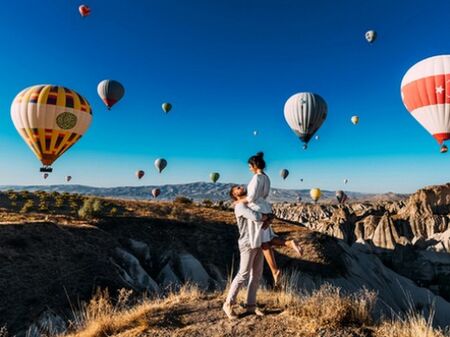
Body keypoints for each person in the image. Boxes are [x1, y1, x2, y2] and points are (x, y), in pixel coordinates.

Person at [244, 152, 302, 286]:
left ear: (254, 165)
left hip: (257, 210)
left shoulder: (256, 178)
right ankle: (276, 267)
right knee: (266, 241)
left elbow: (251, 197)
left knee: (262, 242)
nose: (249, 168)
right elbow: (264, 195)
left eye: (249, 166)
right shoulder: (266, 178)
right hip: (265, 207)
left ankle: (275, 268)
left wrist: (241, 202)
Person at [223, 185, 268, 319]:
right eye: (237, 188)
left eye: (240, 186)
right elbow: (256, 217)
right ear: (235, 194)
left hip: (258, 241)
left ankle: (251, 305)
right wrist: (265, 216)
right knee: (243, 274)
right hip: (247, 243)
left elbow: (261, 207)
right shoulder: (239, 207)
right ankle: (228, 304)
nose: (240, 187)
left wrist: (267, 215)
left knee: (257, 274)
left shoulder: (250, 203)